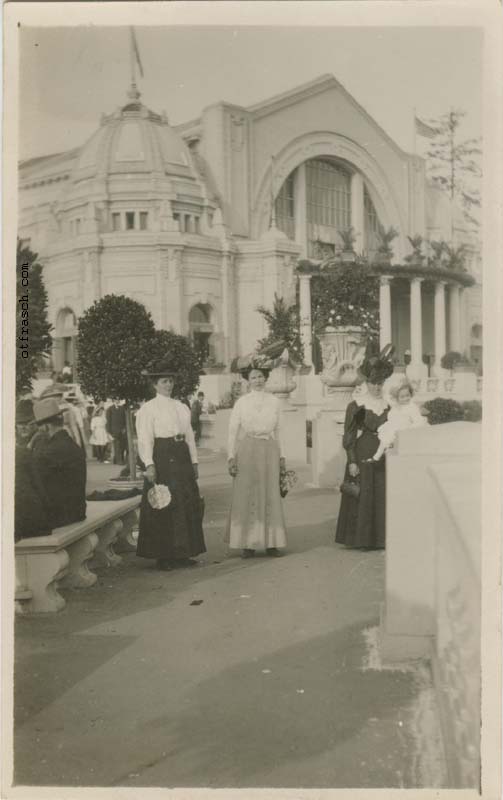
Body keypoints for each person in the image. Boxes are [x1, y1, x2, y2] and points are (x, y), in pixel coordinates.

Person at [135, 360, 206, 570]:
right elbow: (145, 439)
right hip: (162, 456)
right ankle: (164, 555)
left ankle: (184, 552)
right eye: (164, 382)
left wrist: (194, 462)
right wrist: (149, 464)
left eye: (171, 381)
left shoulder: (181, 406)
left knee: (185, 501)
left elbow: (190, 437)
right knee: (165, 502)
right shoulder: (148, 409)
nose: (169, 385)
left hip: (181, 455)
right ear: (155, 385)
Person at [335, 346, 395, 550]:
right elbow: (349, 434)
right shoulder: (357, 405)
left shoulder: (389, 405)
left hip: (384, 453)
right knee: (363, 493)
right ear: (367, 383)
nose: (377, 387)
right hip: (363, 451)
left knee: (381, 493)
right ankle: (361, 539)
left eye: (380, 383)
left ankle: (381, 539)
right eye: (373, 383)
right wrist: (352, 460)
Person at [227, 359, 287, 558]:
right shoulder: (241, 403)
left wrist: (282, 456)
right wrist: (230, 456)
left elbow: (279, 431)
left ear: (266, 378)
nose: (258, 380)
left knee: (270, 493)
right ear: (247, 380)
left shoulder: (275, 402)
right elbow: (232, 432)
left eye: (261, 376)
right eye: (253, 377)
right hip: (247, 449)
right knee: (248, 493)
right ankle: (248, 543)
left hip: (269, 449)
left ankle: (272, 543)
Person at [32, 398, 87, 527]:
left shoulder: (48, 452)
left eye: (38, 427)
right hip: (77, 512)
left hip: (59, 517)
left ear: (46, 426)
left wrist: (30, 445)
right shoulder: (70, 444)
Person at [14, 399, 53, 541]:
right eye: (20, 424)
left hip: (44, 508)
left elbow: (40, 482)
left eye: (28, 423)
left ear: (36, 424)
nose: (23, 428)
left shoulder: (40, 441)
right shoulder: (23, 444)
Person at [370, 380, 427, 461]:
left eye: (408, 395)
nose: (406, 398)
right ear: (397, 398)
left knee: (393, 440)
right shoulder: (396, 406)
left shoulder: (412, 407)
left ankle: (384, 453)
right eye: (402, 397)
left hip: (406, 430)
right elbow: (392, 417)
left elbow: (418, 421)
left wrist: (408, 429)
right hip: (395, 428)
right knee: (385, 438)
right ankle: (377, 456)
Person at [106, 400, 128, 465]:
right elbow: (108, 421)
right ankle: (119, 461)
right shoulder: (110, 409)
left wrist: (125, 428)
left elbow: (125, 419)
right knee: (117, 445)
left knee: (122, 445)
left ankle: (117, 459)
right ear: (113, 401)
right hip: (114, 430)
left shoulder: (122, 408)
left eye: (118, 399)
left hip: (122, 430)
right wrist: (109, 431)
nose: (117, 401)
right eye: (115, 399)